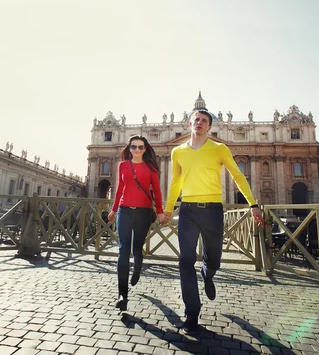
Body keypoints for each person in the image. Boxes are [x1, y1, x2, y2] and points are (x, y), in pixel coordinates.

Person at [163, 109, 264, 334]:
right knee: (185, 260)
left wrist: (253, 204)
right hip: (188, 210)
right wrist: (168, 209)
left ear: (210, 127)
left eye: (204, 121)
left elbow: (238, 175)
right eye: (196, 119)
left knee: (215, 258)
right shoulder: (177, 152)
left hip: (213, 210)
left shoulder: (219, 148)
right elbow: (175, 182)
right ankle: (192, 313)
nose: (199, 123)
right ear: (190, 123)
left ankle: (208, 274)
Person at [107, 135, 166, 311]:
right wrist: (114, 209)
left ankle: (138, 268)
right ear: (129, 148)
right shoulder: (123, 165)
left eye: (141, 147)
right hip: (124, 210)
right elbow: (119, 189)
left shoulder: (151, 167)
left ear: (145, 149)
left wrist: (160, 212)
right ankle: (122, 295)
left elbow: (156, 191)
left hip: (143, 212)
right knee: (123, 250)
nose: (137, 150)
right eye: (134, 147)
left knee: (136, 248)